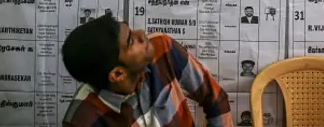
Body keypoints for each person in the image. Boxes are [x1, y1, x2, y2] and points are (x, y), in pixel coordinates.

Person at [61, 14, 233, 127]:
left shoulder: (162, 49)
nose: (142, 34)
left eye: (130, 30)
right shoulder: (82, 119)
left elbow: (216, 99)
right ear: (118, 74)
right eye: (131, 41)